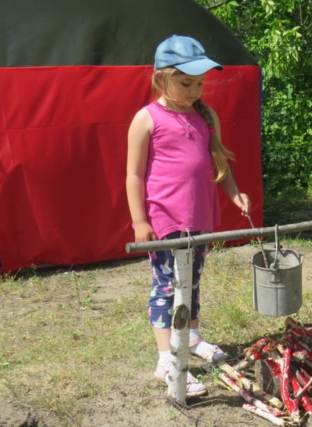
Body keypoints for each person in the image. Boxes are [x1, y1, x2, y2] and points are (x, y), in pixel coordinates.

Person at [126, 35, 250, 397]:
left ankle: (191, 335)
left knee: (191, 281)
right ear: (160, 78)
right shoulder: (146, 118)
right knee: (167, 288)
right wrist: (140, 221)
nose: (195, 89)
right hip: (165, 220)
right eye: (186, 82)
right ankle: (166, 358)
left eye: (200, 83)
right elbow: (133, 174)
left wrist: (234, 192)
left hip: (200, 218)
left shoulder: (205, 115)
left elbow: (219, 163)